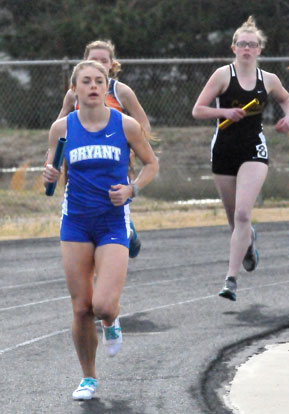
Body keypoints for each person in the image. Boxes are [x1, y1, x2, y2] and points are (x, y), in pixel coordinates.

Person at [42, 60, 159, 400]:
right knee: (81, 307)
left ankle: (111, 322)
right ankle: (88, 378)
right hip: (76, 221)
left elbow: (151, 163)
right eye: (86, 81)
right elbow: (52, 179)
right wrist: (48, 176)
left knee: (104, 306)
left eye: (99, 81)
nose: (93, 86)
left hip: (112, 220)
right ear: (75, 89)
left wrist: (132, 189)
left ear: (106, 88)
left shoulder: (126, 125)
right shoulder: (62, 128)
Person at [192, 16, 289, 301]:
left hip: (253, 149)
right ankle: (248, 244)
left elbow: (287, 99)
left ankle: (230, 280)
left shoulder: (269, 80)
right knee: (233, 221)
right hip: (224, 148)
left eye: (252, 44)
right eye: (242, 44)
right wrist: (223, 112)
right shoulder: (223, 75)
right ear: (233, 47)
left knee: (242, 214)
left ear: (260, 49)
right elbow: (198, 110)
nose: (247, 49)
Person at [58, 39, 151, 259]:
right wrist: (54, 157)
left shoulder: (122, 91)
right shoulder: (74, 94)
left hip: (114, 153)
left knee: (115, 196)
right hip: (81, 156)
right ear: (84, 62)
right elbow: (60, 126)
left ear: (111, 65)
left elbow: (144, 125)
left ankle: (124, 235)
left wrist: (132, 144)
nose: (99, 63)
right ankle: (89, 244)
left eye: (104, 60)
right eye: (93, 60)